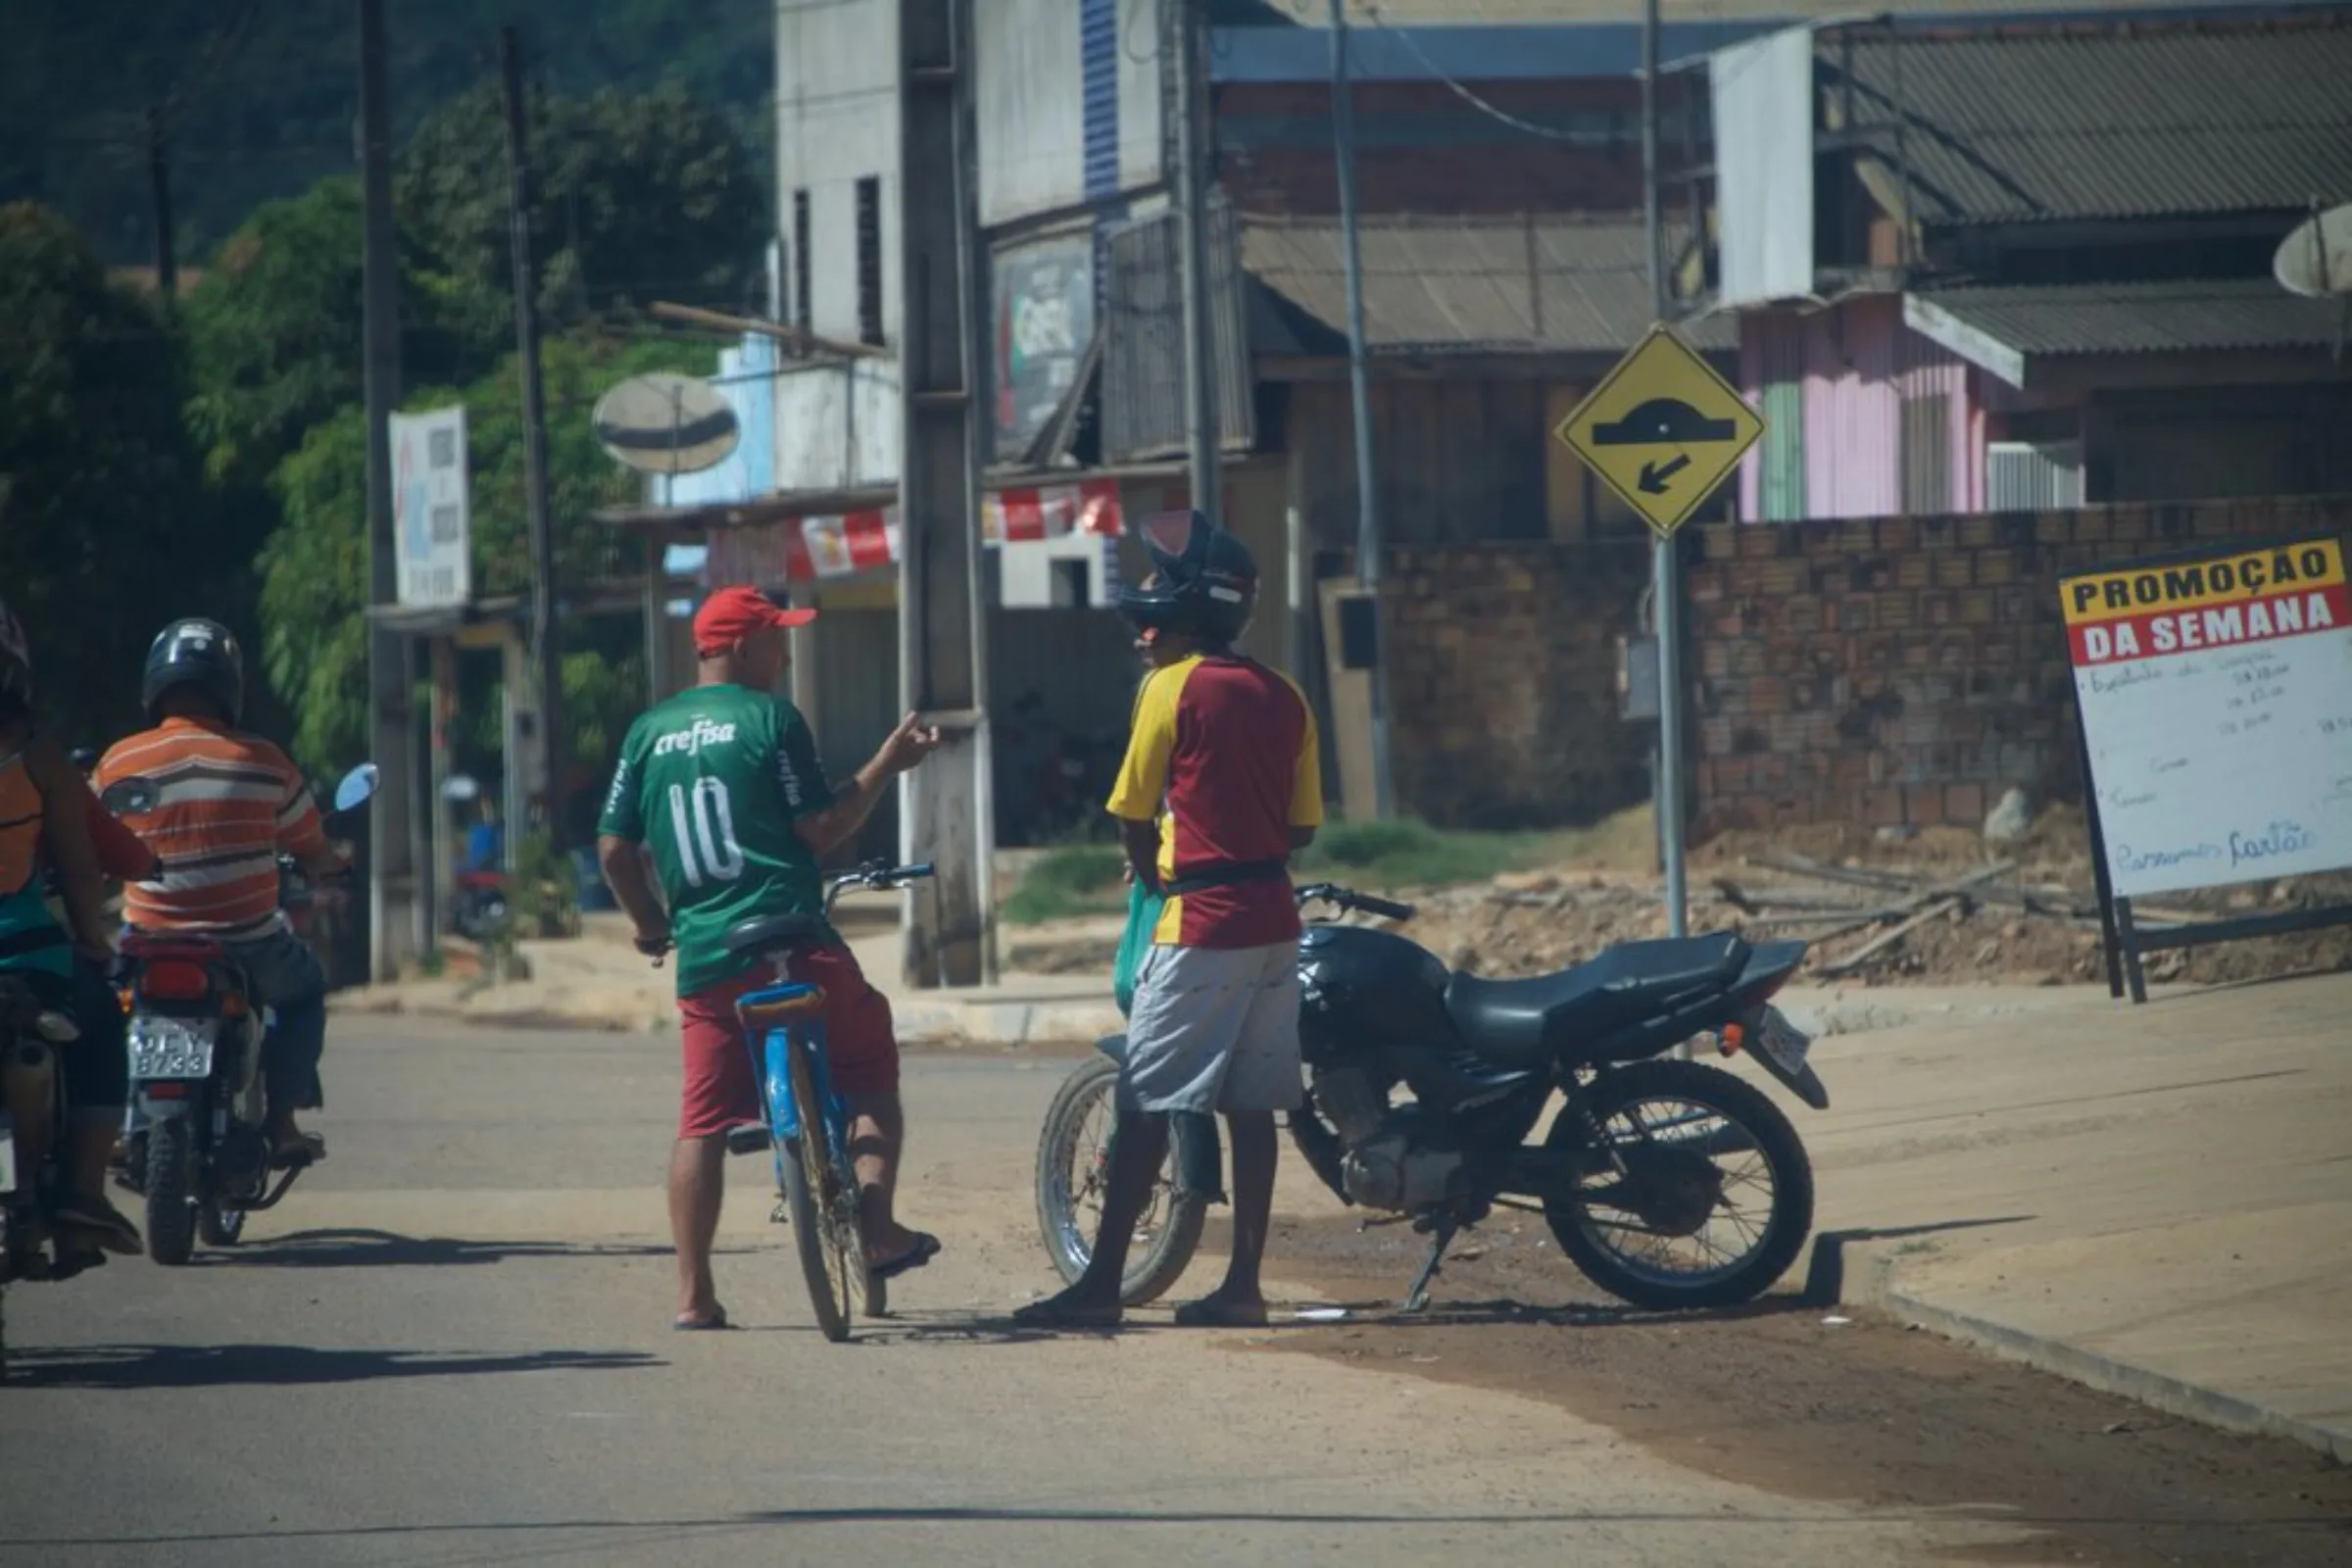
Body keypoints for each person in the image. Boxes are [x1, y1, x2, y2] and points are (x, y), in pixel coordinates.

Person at [596, 584, 945, 1332]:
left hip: (708, 962)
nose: (785, 657)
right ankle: (879, 1229)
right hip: (796, 943)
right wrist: (885, 764)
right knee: (869, 1069)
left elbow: (615, 851)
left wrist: (654, 926)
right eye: (777, 641)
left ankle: (693, 1294)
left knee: (703, 1123)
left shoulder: (646, 732)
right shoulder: (769, 718)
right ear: (741, 647)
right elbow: (821, 828)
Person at [1018, 512, 1323, 1330]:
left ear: (1187, 611)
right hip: (1274, 919)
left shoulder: (1170, 688)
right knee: (1251, 1108)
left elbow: (1130, 807)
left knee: (1146, 1097)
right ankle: (1243, 1287)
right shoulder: (1286, 694)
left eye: (1157, 593)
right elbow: (1302, 829)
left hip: (1200, 921)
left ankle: (1101, 1286)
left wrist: (1158, 861)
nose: (1146, 608)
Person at [96, 618, 351, 1166]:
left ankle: (114, 1128)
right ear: (229, 686)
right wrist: (331, 865)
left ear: (155, 685)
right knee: (304, 994)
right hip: (246, 943)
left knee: (101, 1012)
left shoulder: (118, 761)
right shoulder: (263, 762)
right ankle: (282, 1122)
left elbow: (89, 843)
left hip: (147, 945)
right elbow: (311, 845)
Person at [0, 596, 142, 1253]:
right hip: (28, 952)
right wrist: (92, 942)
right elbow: (82, 870)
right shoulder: (37, 754)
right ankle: (84, 1190)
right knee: (100, 1018)